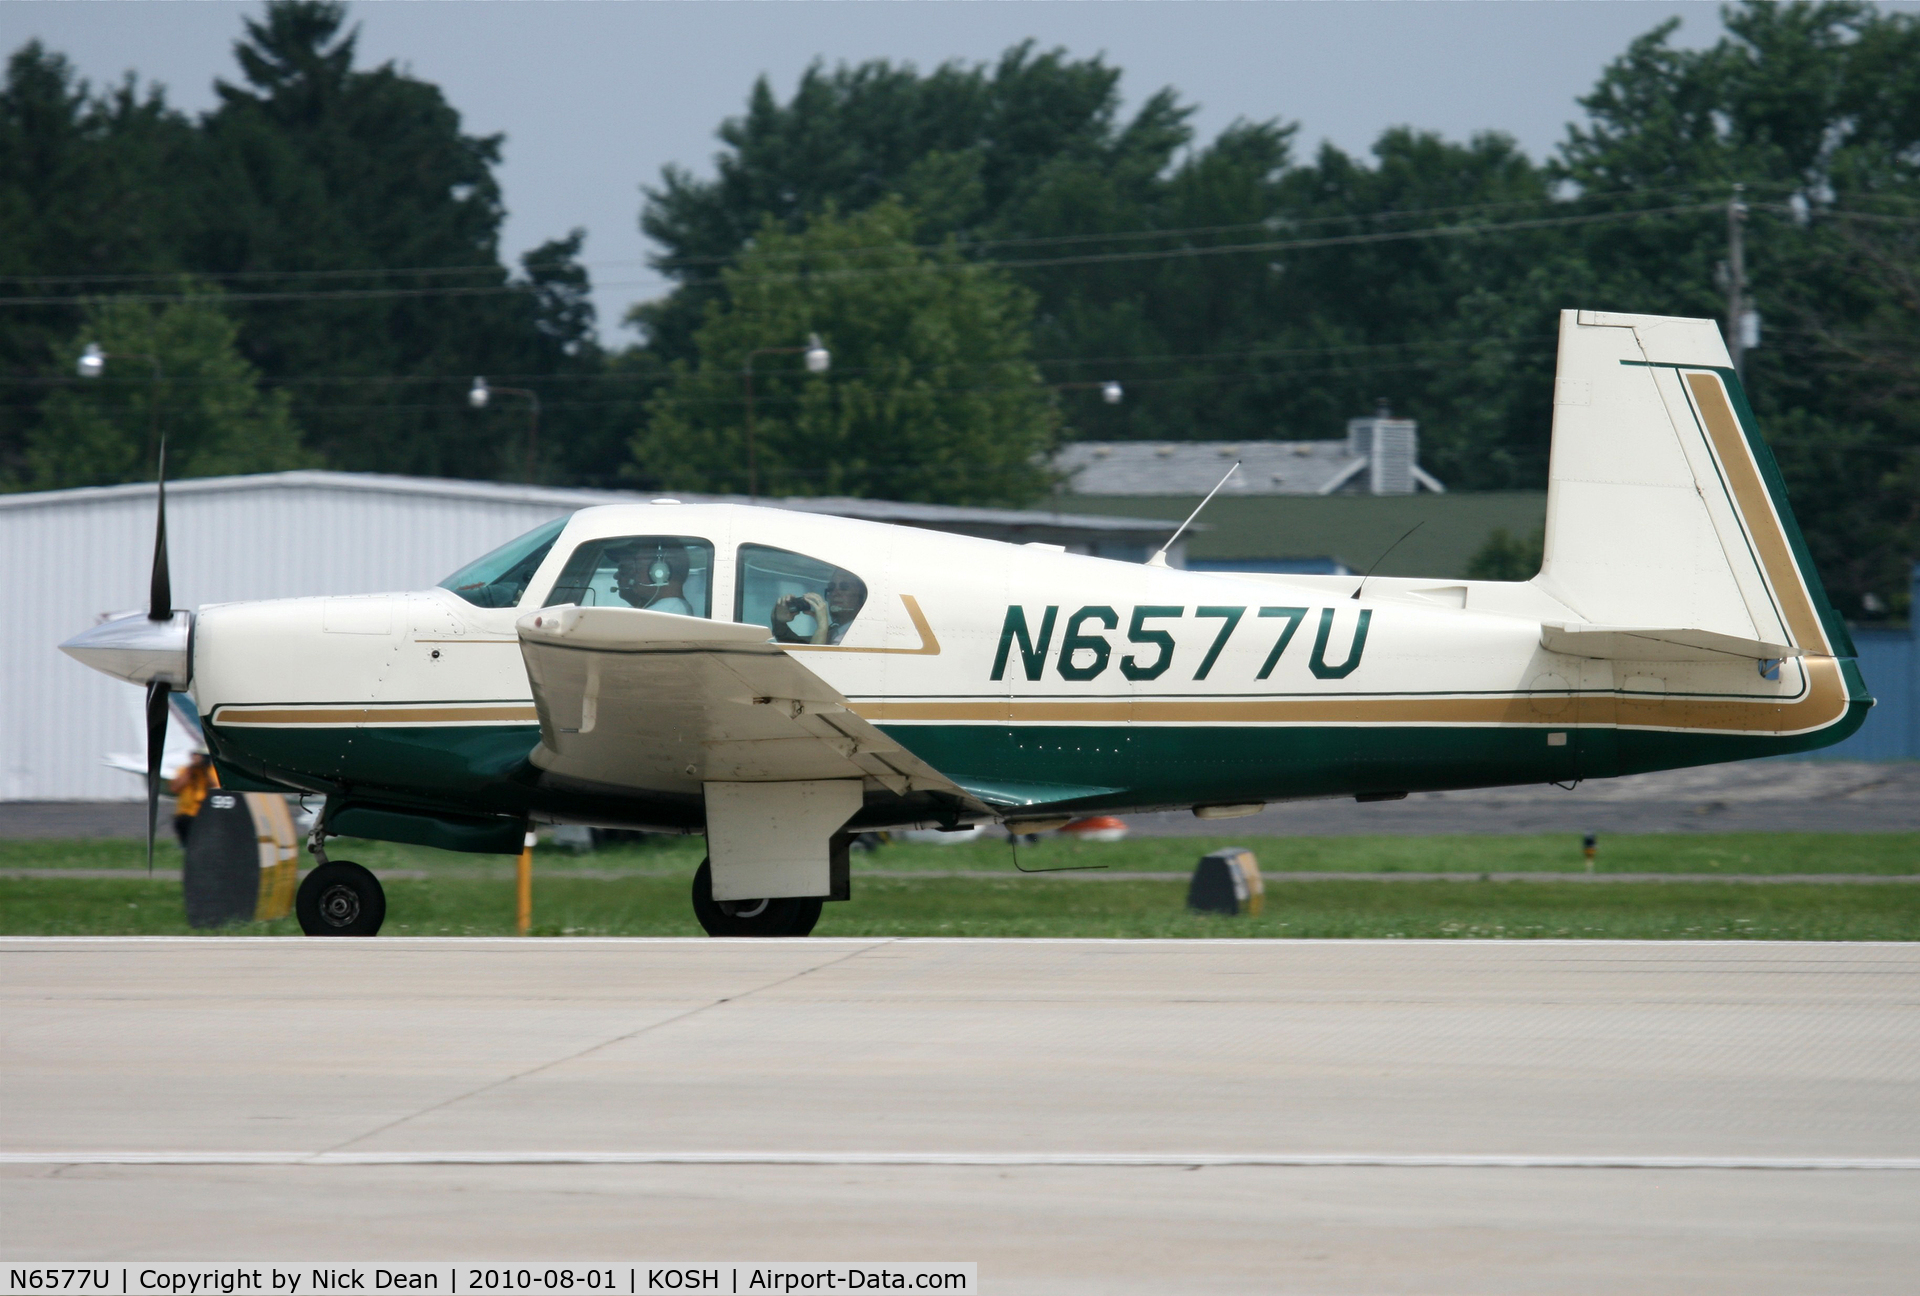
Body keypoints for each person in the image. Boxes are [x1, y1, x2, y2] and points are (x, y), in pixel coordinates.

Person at [770, 571, 867, 645]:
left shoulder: (859, 635)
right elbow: (799, 646)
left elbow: (814, 660)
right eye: (831, 588)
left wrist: (822, 626)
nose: (835, 593)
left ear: (860, 597)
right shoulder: (834, 631)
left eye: (844, 587)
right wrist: (779, 622)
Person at [614, 541, 695, 615]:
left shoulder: (659, 615)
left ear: (660, 573)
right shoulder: (676, 607)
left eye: (639, 568)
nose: (634, 575)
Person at [168, 748, 218, 847]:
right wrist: (190, 770)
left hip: (205, 813)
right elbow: (175, 788)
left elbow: (216, 788)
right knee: (186, 842)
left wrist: (205, 771)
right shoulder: (185, 770)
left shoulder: (212, 771)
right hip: (185, 813)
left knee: (203, 843)